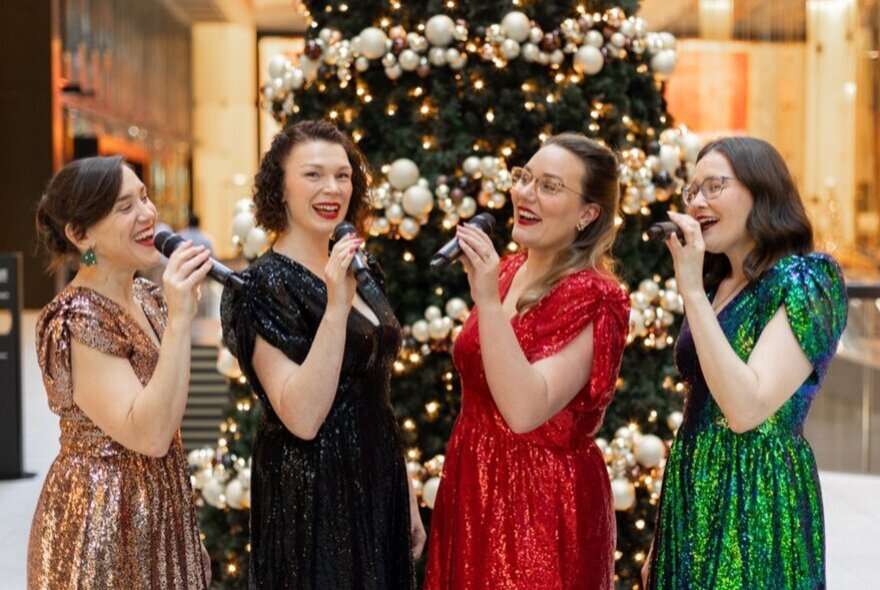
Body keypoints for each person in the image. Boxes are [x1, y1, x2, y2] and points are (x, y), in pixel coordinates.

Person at [221, 120, 423, 589]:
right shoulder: (262, 286)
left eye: (342, 175)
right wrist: (335, 307)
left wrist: (406, 493)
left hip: (377, 475)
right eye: (313, 174)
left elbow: (377, 390)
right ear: (280, 188)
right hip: (312, 493)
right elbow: (302, 417)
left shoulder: (362, 267)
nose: (332, 188)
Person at [425, 133, 630, 590]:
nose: (525, 194)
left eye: (549, 186)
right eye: (524, 178)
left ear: (588, 214)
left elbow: (524, 410)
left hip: (538, 504)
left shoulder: (597, 296)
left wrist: (486, 301)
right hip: (473, 480)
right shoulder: (507, 271)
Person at [643, 137, 847, 589]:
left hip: (758, 497)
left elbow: (745, 408)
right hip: (691, 490)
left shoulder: (806, 279)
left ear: (762, 191)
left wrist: (690, 291)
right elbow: (699, 406)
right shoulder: (714, 285)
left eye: (714, 186)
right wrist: (663, 538)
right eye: (692, 191)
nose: (697, 202)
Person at [29, 155, 213, 588]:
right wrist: (180, 321)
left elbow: (170, 414)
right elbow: (150, 435)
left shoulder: (147, 296)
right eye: (125, 206)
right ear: (80, 234)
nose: (148, 214)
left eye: (145, 197)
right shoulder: (76, 319)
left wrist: (184, 535)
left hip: (161, 505)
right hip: (103, 522)